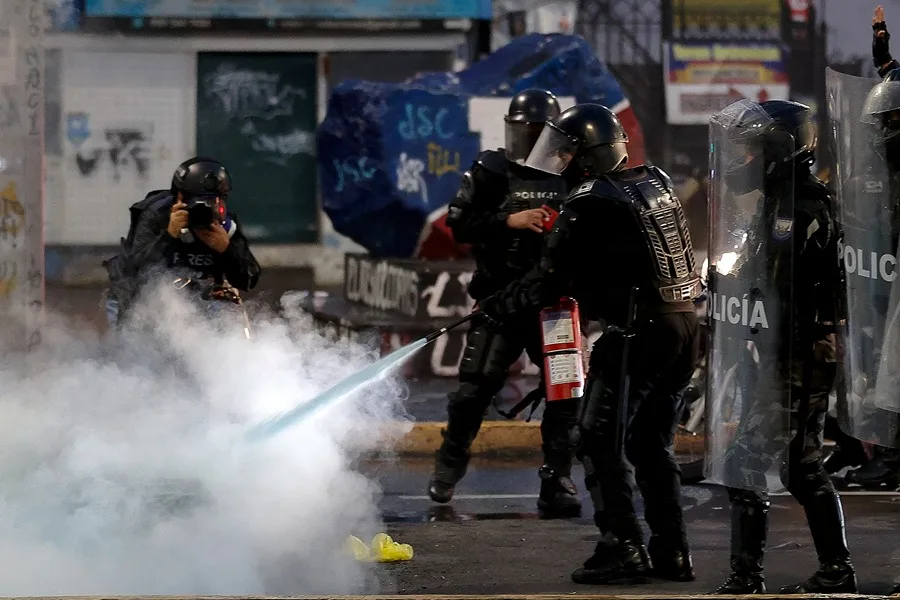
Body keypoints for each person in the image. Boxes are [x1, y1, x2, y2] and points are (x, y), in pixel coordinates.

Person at [479, 103, 702, 584]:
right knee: (650, 444)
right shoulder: (653, 182)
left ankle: (621, 547)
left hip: (638, 333)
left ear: (586, 156)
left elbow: (547, 280)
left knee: (595, 437)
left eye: (568, 153)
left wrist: (497, 305)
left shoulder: (588, 203)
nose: (561, 162)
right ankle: (672, 552)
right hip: (684, 329)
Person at [706, 99, 856, 594]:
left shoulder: (805, 206)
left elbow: (788, 290)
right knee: (800, 465)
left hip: (800, 353)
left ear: (778, 150)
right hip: (784, 350)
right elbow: (759, 277)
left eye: (752, 149)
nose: (741, 160)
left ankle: (746, 577)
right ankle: (836, 571)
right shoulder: (777, 201)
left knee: (745, 460)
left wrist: (747, 295)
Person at [427, 89, 582, 517]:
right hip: (499, 301)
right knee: (473, 390)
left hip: (552, 303)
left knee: (566, 396)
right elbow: (457, 224)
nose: (530, 141)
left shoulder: (572, 173)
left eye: (537, 133)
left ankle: (557, 480)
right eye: (523, 131)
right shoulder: (492, 170)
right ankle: (449, 467)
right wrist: (507, 220)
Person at [103, 157, 261, 328]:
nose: (208, 209)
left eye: (217, 201)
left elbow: (248, 279)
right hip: (143, 301)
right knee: (136, 343)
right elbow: (134, 272)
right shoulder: (156, 216)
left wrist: (227, 250)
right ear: (179, 198)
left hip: (199, 301)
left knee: (227, 316)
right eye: (200, 201)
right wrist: (168, 237)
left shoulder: (226, 227)